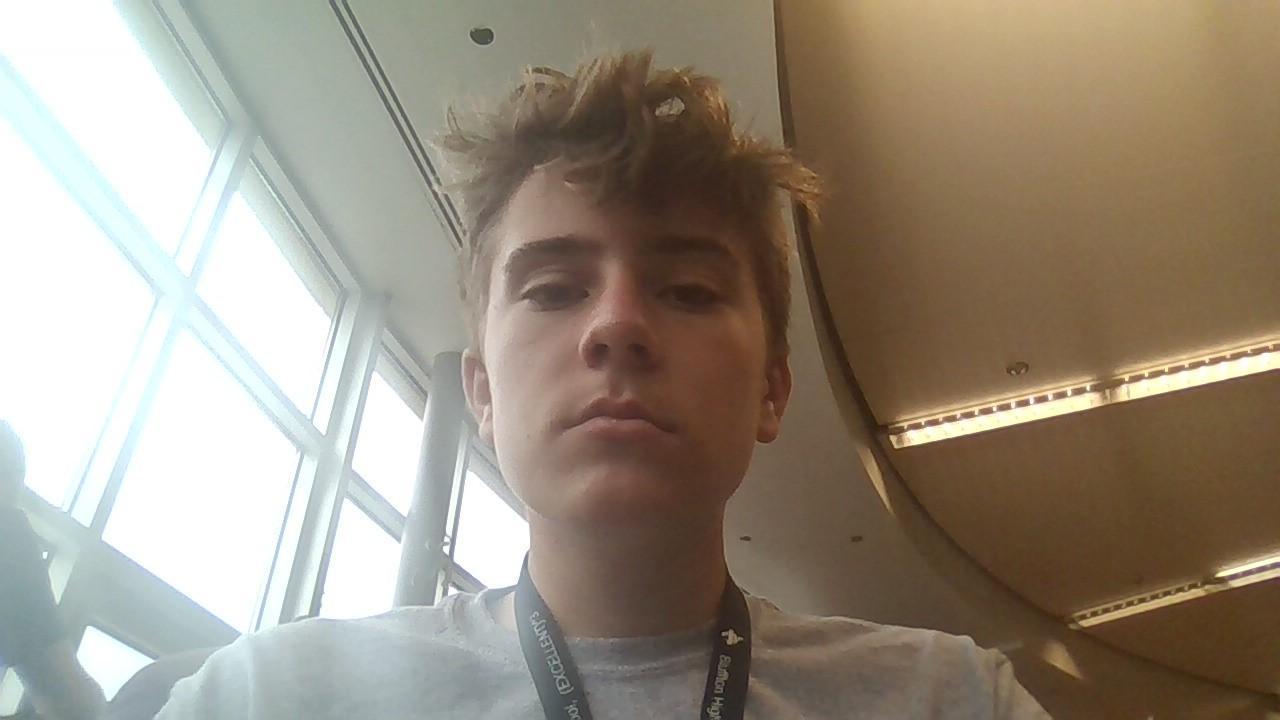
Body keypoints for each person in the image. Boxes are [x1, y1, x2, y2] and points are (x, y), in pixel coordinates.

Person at [156, 50, 1051, 719]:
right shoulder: (269, 697)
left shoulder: (953, 700)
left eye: (688, 290)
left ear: (772, 391)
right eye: (553, 290)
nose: (617, 325)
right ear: (482, 393)